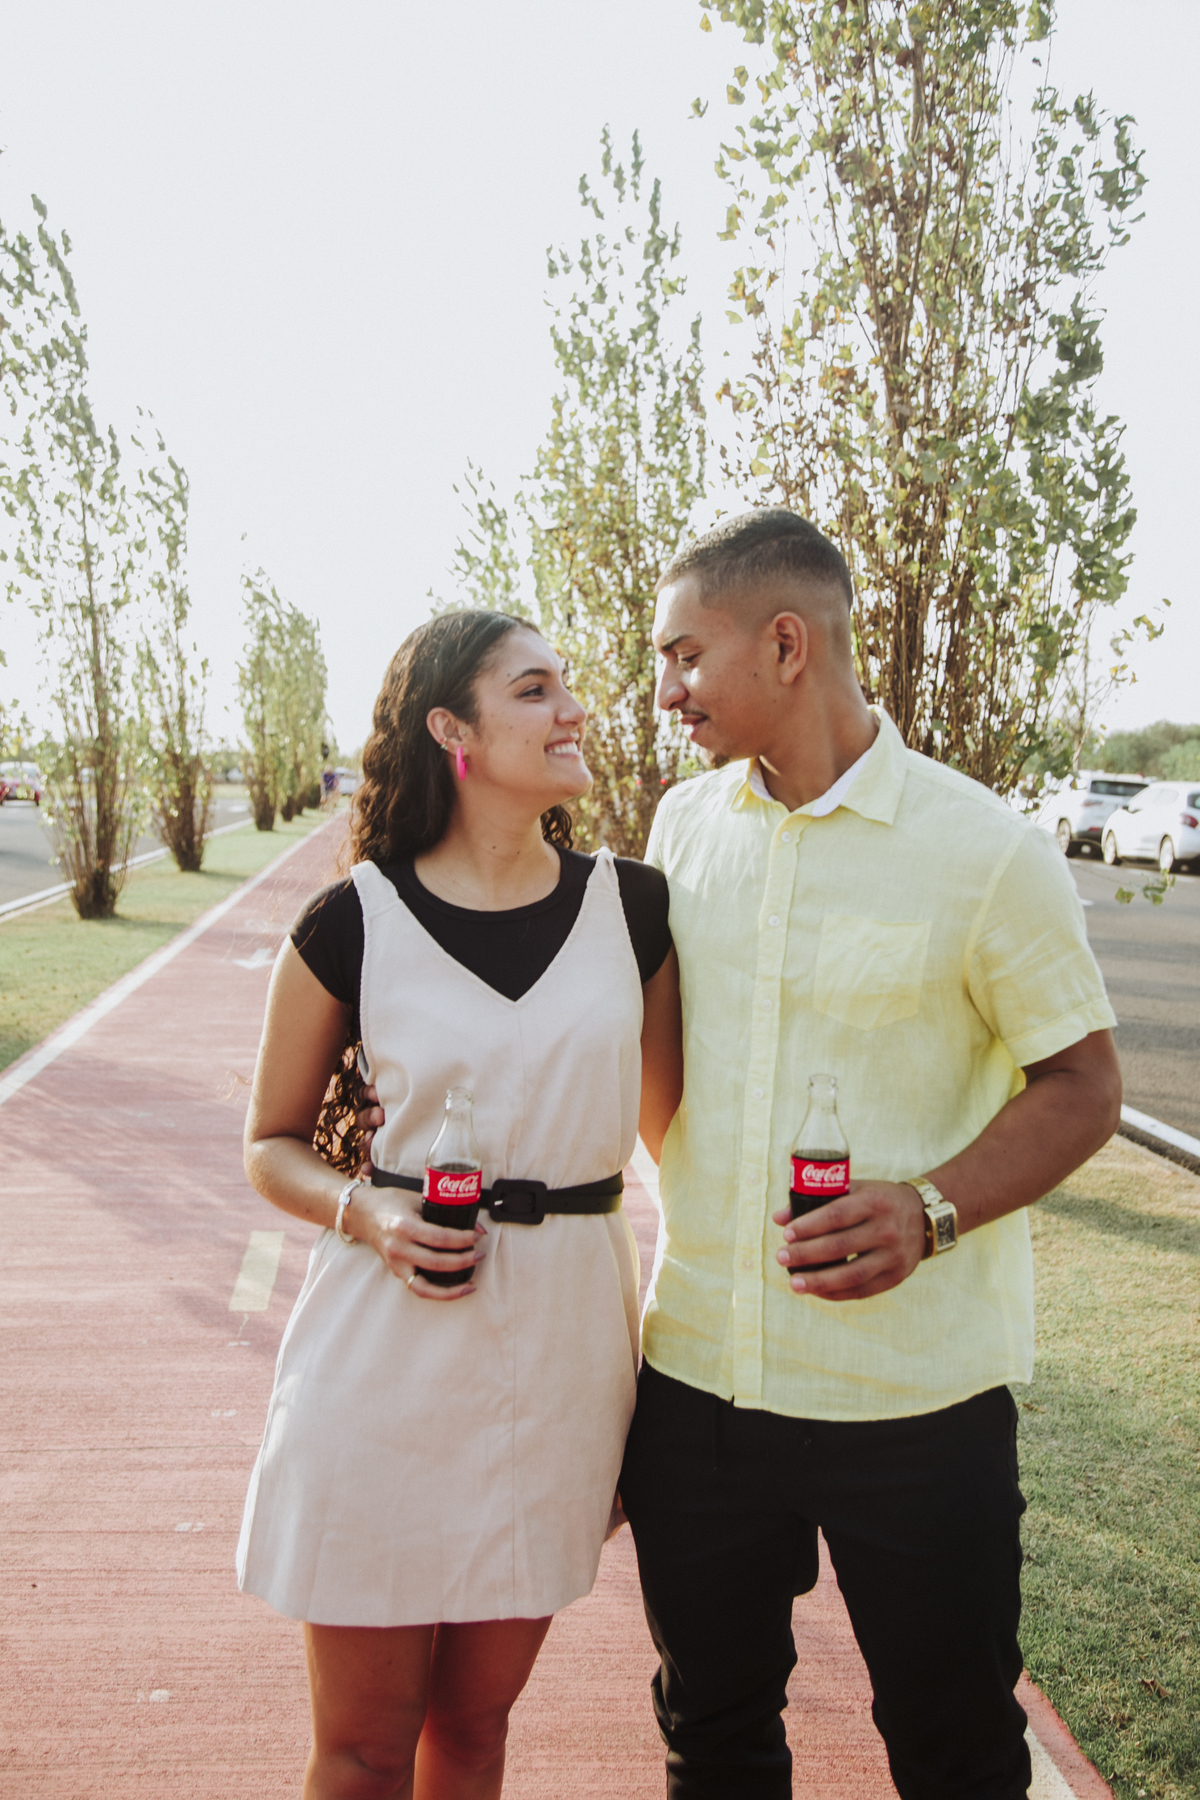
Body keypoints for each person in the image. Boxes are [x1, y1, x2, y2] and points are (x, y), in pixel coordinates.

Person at [616, 509, 1122, 1800]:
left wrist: (930, 1208)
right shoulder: (681, 827)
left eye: (685, 656)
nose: (665, 692)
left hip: (919, 1408)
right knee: (712, 1741)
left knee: (957, 1757)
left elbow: (1085, 1085)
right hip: (702, 1390)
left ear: (787, 645)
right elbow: (664, 1079)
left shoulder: (988, 851)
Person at [237, 608, 682, 1800]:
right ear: (453, 730)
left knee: (475, 1733)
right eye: (535, 689)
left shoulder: (636, 911)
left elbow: (679, 1142)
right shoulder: (352, 920)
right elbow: (270, 1146)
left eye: (567, 684)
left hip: (564, 1360)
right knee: (365, 1752)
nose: (573, 708)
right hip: (381, 1364)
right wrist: (369, 1214)